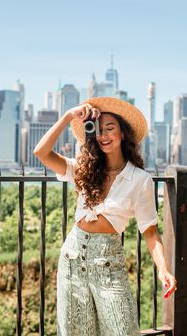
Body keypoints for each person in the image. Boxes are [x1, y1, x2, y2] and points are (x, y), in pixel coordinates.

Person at [33, 97, 177, 336]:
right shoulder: (84, 168)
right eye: (98, 130)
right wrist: (69, 116)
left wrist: (163, 269)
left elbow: (150, 230)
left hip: (108, 265)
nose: (103, 135)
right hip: (72, 259)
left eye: (110, 128)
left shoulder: (140, 179)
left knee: (123, 330)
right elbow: (41, 152)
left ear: (123, 133)